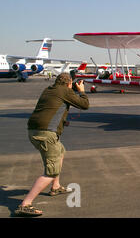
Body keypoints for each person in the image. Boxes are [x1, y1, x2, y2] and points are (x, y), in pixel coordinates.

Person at [15, 73, 89, 217]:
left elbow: (50, 109)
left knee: (60, 150)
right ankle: (25, 204)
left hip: (35, 130)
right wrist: (81, 91)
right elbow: (84, 105)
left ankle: (55, 187)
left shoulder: (49, 89)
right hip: (45, 134)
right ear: (69, 83)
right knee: (51, 171)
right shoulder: (65, 91)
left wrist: (62, 122)